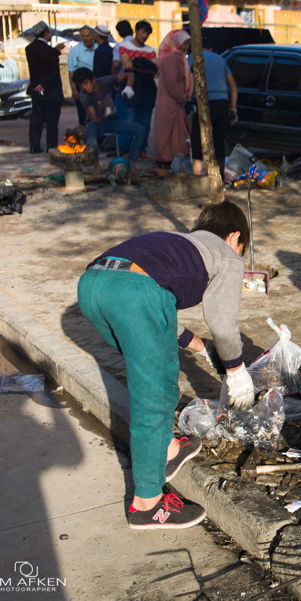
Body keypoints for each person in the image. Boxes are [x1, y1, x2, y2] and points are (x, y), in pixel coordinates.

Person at [77, 201, 256, 530]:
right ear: (235, 238)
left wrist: (201, 347)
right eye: (242, 248)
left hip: (92, 286)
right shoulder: (227, 256)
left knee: (151, 375)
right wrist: (236, 369)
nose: (239, 255)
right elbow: (221, 322)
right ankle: (147, 504)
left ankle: (169, 448)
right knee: (155, 393)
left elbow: (155, 302)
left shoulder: (175, 242)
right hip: (134, 294)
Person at [73, 67, 147, 165]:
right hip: (95, 124)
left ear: (93, 79)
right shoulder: (84, 96)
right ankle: (96, 166)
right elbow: (94, 119)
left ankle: (131, 162)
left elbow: (130, 74)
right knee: (90, 137)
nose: (84, 88)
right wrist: (105, 114)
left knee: (141, 130)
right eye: (81, 85)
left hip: (112, 120)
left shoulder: (104, 82)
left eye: (86, 83)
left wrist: (128, 87)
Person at [189, 42, 238, 173]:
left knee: (198, 140)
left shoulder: (193, 57)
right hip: (222, 104)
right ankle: (219, 179)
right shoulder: (220, 59)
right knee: (218, 143)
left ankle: (197, 176)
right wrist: (233, 109)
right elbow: (233, 86)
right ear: (210, 48)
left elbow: (188, 80)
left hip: (204, 103)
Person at [115, 21, 157, 157]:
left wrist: (136, 64)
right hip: (131, 86)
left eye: (147, 33)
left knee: (145, 120)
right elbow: (127, 65)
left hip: (147, 89)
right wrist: (145, 66)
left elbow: (154, 70)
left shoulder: (150, 50)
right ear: (136, 31)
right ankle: (126, 150)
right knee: (129, 119)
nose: (144, 36)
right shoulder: (124, 46)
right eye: (142, 32)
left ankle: (141, 149)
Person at [25, 21, 66, 154]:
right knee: (52, 120)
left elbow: (41, 61)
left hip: (35, 89)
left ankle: (34, 146)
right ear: (46, 33)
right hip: (51, 91)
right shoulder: (50, 52)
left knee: (36, 119)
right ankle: (51, 145)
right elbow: (53, 72)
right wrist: (44, 86)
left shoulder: (29, 49)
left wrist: (55, 51)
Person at [154, 29, 192, 166]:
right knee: (168, 131)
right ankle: (166, 158)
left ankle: (176, 157)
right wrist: (181, 97)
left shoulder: (179, 56)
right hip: (170, 101)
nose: (186, 47)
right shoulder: (172, 57)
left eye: (188, 44)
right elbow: (172, 81)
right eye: (184, 43)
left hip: (176, 101)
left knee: (177, 131)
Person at [67, 25, 97, 125]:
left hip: (97, 85)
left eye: (88, 36)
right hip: (82, 87)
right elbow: (71, 72)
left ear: (92, 35)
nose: (86, 38)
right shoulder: (75, 51)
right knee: (83, 115)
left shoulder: (98, 48)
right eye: (83, 36)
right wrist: (74, 89)